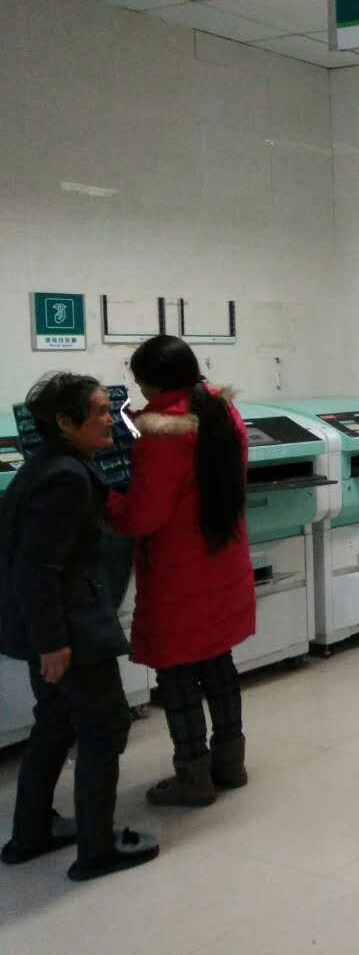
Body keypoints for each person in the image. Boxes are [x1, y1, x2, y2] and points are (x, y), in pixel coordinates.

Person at [0, 373, 159, 882]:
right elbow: (38, 568)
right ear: (66, 423)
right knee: (104, 727)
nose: (110, 420)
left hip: (42, 626)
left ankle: (31, 834)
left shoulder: (46, 464)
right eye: (99, 412)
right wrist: (53, 643)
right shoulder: (67, 478)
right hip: (70, 631)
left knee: (55, 723)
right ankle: (96, 849)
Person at [107, 335, 255, 808]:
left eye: (141, 383)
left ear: (154, 383)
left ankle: (193, 776)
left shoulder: (161, 434)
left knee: (177, 675)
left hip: (178, 571)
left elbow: (143, 516)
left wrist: (107, 499)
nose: (140, 392)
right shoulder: (223, 412)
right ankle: (230, 763)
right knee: (218, 663)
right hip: (222, 559)